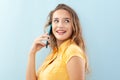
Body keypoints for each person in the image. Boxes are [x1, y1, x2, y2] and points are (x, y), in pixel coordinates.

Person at [26, 3, 88, 80]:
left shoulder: (73, 51)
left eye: (66, 21)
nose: (60, 25)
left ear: (73, 26)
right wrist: (32, 53)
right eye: (56, 21)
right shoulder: (53, 54)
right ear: (51, 26)